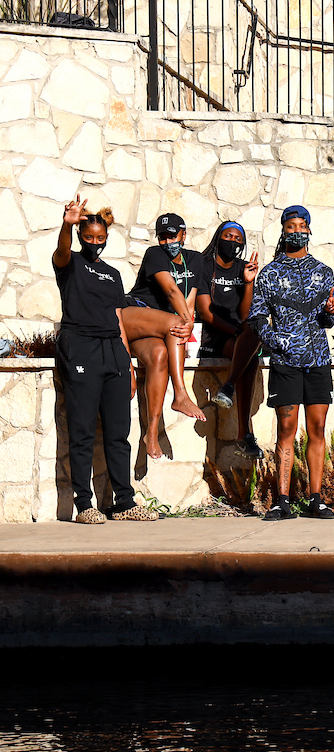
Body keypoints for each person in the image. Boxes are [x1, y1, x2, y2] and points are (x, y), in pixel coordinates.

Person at [52, 197, 158, 523]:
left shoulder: (112, 274)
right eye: (89, 237)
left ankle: (124, 503)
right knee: (82, 431)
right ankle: (85, 505)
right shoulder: (70, 264)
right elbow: (61, 251)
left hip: (113, 351)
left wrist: (126, 363)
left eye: (100, 238)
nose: (95, 243)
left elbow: (118, 317)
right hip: (80, 348)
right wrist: (67, 225)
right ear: (81, 235)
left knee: (118, 432)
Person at [247, 205, 334, 521]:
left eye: (302, 225)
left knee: (317, 429)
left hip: (318, 361)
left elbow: (328, 321)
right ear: (284, 231)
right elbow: (257, 317)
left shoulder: (323, 271)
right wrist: (277, 343)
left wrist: (330, 309)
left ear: (309, 231)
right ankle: (281, 501)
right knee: (286, 429)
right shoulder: (270, 274)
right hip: (285, 363)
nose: (296, 230)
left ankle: (317, 499)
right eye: (291, 226)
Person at [122, 212, 208, 459]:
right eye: (163, 237)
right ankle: (180, 394)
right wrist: (187, 322)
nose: (168, 242)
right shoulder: (154, 254)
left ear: (184, 234)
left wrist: (188, 320)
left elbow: (189, 299)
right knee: (175, 323)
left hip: (158, 329)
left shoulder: (195, 260)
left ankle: (151, 434)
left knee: (159, 355)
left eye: (173, 236)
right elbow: (171, 291)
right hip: (134, 313)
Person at [197, 220, 264, 460]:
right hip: (213, 333)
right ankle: (244, 434)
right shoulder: (204, 266)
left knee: (255, 329)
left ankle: (228, 386)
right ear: (218, 237)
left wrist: (249, 282)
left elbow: (245, 315)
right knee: (250, 359)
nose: (233, 241)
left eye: (238, 238)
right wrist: (237, 333)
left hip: (239, 335)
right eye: (228, 236)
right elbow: (205, 313)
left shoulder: (243, 267)